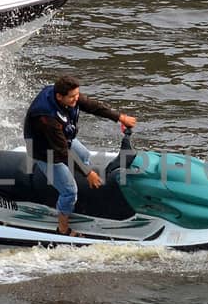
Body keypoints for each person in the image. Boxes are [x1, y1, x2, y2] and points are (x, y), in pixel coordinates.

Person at [24, 75, 137, 236]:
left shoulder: (69, 96)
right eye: (73, 97)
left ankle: (74, 187)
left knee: (84, 154)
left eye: (78, 94)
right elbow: (63, 152)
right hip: (45, 150)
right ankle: (63, 229)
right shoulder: (47, 117)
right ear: (59, 97)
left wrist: (120, 117)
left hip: (62, 139)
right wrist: (88, 172)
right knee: (69, 191)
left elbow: (93, 106)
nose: (77, 99)